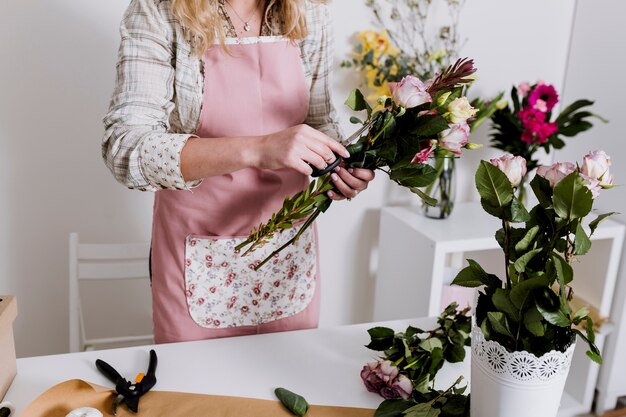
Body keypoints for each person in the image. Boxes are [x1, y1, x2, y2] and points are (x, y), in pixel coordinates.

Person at [102, 0, 375, 343]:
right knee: (196, 392)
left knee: (289, 383)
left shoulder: (309, 10)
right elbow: (126, 149)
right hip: (195, 253)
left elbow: (318, 120)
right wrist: (259, 149)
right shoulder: (160, 10)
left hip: (286, 254)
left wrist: (343, 164)